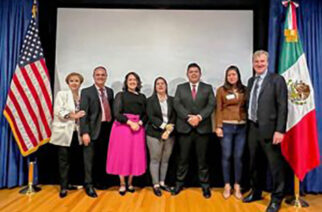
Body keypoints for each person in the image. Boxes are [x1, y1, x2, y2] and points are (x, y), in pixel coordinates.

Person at [243, 50, 288, 212]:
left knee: (275, 166)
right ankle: (256, 192)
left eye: (262, 61)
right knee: (254, 164)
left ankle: (276, 199)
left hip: (271, 131)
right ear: (253, 64)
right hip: (253, 128)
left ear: (267, 62)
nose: (259, 64)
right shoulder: (250, 81)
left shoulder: (277, 80)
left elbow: (283, 106)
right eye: (256, 62)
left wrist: (280, 130)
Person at [172, 63, 215, 198]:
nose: (194, 74)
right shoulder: (180, 88)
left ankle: (205, 187)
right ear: (187, 74)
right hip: (185, 129)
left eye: (196, 71)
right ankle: (179, 184)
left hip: (202, 129)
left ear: (200, 74)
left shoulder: (207, 88)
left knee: (202, 161)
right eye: (191, 72)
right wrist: (188, 118)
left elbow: (211, 104)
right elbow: (177, 104)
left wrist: (199, 117)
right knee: (183, 159)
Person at [106, 72, 147, 196]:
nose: (132, 81)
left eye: (135, 79)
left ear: (138, 82)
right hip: (122, 128)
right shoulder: (121, 95)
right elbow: (117, 114)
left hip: (137, 128)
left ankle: (130, 182)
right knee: (122, 155)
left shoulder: (142, 96)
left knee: (134, 156)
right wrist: (130, 123)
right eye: (130, 79)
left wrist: (139, 123)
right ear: (126, 82)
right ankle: (122, 183)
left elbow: (146, 114)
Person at [80, 66, 114, 198]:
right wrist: (84, 132)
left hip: (106, 129)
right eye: (98, 75)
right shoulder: (86, 92)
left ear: (106, 76)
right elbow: (83, 114)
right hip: (92, 130)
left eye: (103, 75)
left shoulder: (109, 91)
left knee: (101, 158)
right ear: (94, 77)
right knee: (89, 160)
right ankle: (88, 185)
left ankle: (100, 182)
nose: (100, 77)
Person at [50, 72, 86, 198]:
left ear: (80, 83)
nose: (74, 83)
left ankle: (72, 183)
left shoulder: (83, 96)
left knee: (75, 159)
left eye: (77, 81)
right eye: (72, 81)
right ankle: (63, 187)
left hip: (77, 133)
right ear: (68, 82)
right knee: (64, 160)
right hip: (64, 132)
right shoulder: (62, 94)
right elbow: (58, 111)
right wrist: (73, 115)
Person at [215, 65, 247, 200]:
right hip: (226, 127)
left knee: (238, 157)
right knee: (227, 156)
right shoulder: (221, 90)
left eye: (234, 74)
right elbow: (218, 109)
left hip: (242, 127)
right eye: (229, 75)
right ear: (226, 77)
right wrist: (218, 126)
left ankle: (237, 186)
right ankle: (227, 185)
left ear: (238, 76)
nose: (232, 77)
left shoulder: (244, 90)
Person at [146, 77, 176, 197]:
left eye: (162, 83)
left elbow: (174, 116)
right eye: (157, 84)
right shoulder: (150, 101)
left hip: (170, 134)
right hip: (154, 134)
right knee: (155, 159)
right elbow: (151, 116)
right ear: (155, 87)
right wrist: (164, 127)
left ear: (166, 86)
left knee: (165, 160)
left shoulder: (172, 100)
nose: (160, 86)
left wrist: (168, 130)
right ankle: (156, 184)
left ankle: (163, 183)